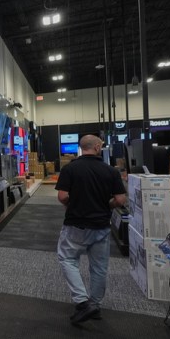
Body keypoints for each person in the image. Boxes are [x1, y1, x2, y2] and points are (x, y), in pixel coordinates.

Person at [55, 134, 126, 324]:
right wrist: (107, 205)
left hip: (75, 224)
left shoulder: (70, 169)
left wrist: (73, 204)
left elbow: (62, 196)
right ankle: (95, 305)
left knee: (67, 259)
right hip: (101, 225)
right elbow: (120, 200)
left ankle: (82, 302)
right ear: (96, 147)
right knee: (99, 267)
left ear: (81, 148)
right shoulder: (110, 171)